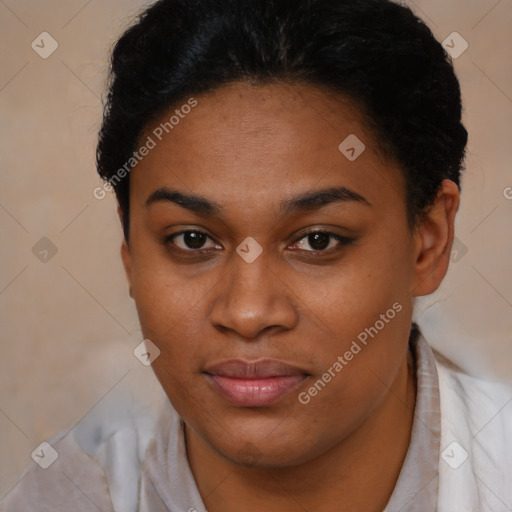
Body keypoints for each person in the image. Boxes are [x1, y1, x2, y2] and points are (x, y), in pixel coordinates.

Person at [2, 0, 511, 510]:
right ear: (130, 249)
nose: (247, 313)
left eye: (318, 240)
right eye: (193, 240)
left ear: (429, 240)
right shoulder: (66, 494)